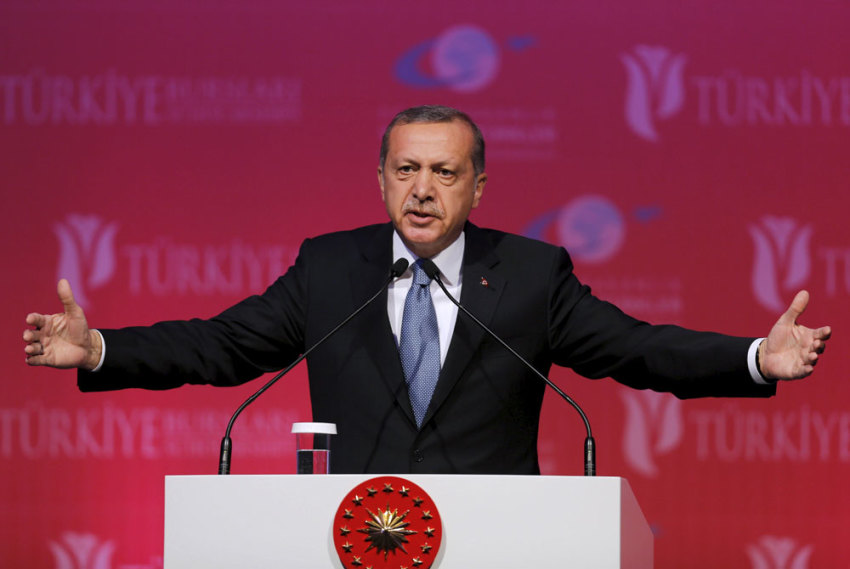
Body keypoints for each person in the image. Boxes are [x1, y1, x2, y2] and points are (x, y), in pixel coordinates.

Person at [23, 105, 831, 474]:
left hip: (497, 547)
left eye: (444, 173)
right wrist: (99, 347)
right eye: (405, 170)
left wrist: (757, 356)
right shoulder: (331, 267)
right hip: (348, 545)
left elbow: (638, 348)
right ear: (379, 181)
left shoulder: (529, 273)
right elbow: (222, 344)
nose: (421, 189)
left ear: (478, 188)